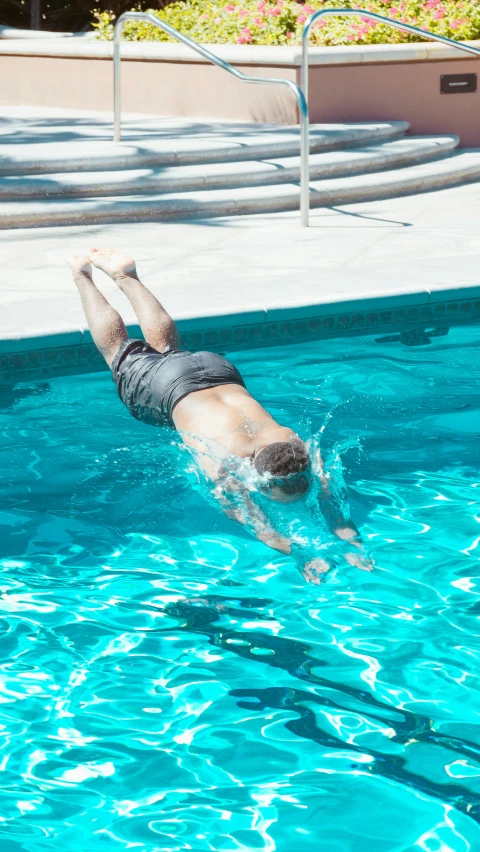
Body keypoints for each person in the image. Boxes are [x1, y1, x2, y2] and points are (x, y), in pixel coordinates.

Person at [66, 248, 372, 582]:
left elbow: (333, 511)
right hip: (170, 387)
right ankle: (82, 275)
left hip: (218, 370)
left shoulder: (290, 445)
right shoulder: (226, 467)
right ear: (260, 480)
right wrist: (302, 554)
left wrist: (352, 543)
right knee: (117, 351)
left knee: (171, 351)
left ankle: (127, 276)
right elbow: (262, 527)